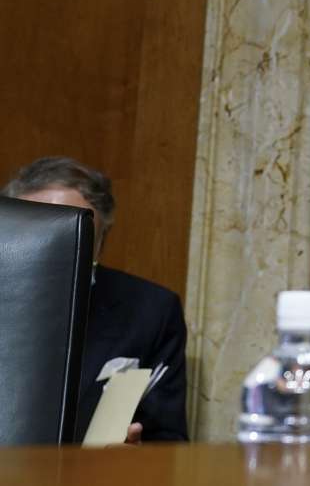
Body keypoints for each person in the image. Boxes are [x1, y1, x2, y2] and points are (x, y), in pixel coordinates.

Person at [2, 157, 189, 443]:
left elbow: (168, 440)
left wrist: (137, 455)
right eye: (42, 237)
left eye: (71, 237)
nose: (54, 251)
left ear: (101, 240)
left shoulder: (149, 310)